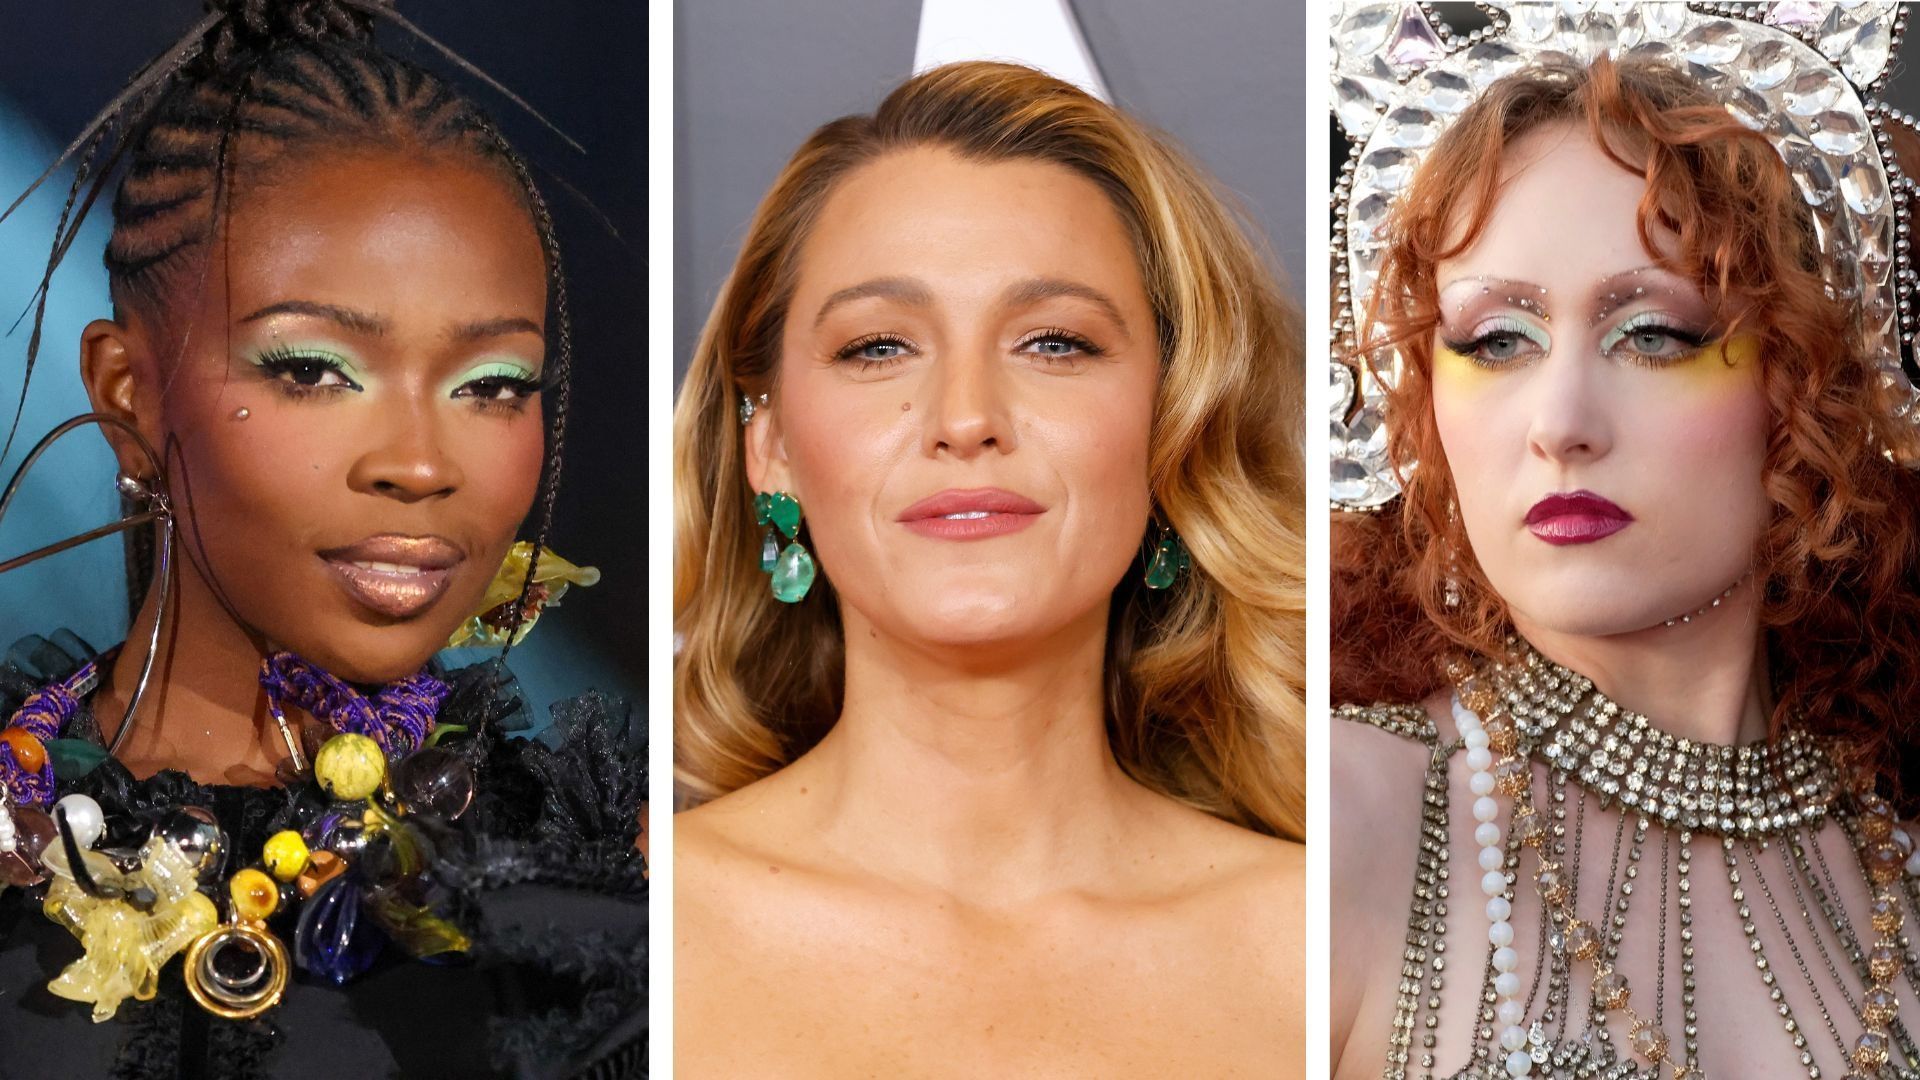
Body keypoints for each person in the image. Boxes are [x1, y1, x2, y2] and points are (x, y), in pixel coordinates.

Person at [0, 3, 643, 1077]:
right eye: (312, 370)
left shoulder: (612, 900)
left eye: (493, 385)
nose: (420, 464)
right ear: (125, 389)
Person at [672, 60, 1305, 1076]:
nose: (966, 418)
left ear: (1175, 422)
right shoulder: (632, 918)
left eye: (1054, 343)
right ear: (771, 443)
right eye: (878, 348)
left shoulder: (1315, 950)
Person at [1330, 19, 1920, 1080]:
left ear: (1809, 385)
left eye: (1652, 334)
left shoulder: (1899, 863)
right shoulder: (1341, 821)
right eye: (1495, 341)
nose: (1560, 424)